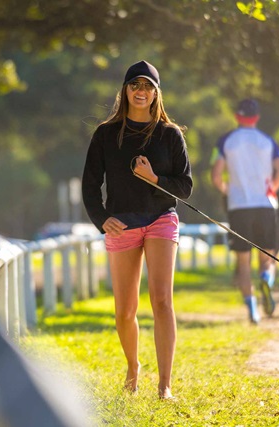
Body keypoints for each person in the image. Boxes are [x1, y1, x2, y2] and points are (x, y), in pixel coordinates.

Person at [82, 60, 192, 399]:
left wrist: (155, 179)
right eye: (135, 85)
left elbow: (185, 187)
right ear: (125, 90)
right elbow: (89, 184)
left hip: (161, 219)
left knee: (161, 301)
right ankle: (133, 365)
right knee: (124, 311)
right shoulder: (105, 134)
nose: (141, 92)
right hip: (122, 224)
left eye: (147, 86)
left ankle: (165, 385)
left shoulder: (169, 135)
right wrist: (101, 219)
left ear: (156, 93)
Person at [211, 98, 279, 324]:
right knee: (268, 257)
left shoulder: (226, 140)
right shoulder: (268, 141)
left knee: (243, 261)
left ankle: (252, 309)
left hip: (239, 206)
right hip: (265, 204)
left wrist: (226, 190)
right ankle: (266, 278)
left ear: (237, 116)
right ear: (257, 117)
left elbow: (216, 175)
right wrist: (271, 188)